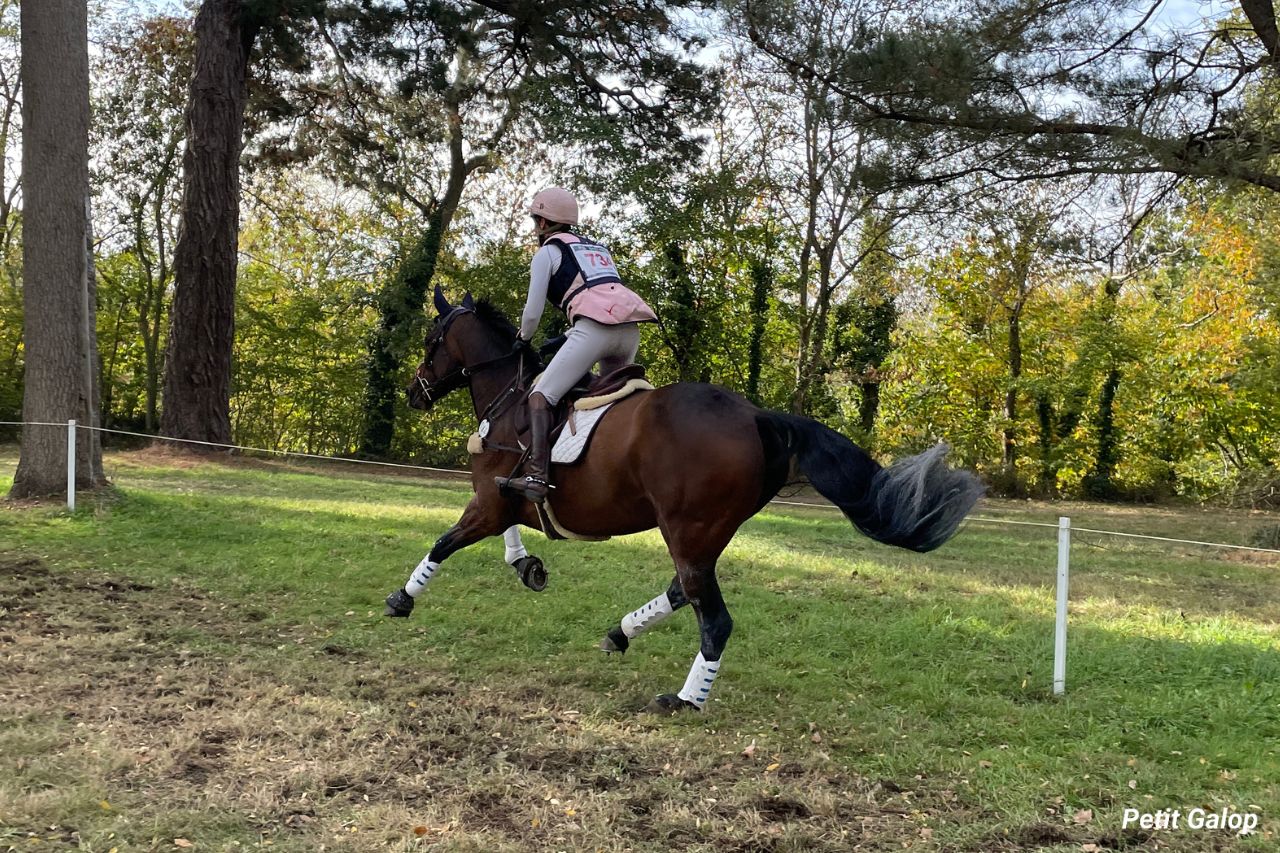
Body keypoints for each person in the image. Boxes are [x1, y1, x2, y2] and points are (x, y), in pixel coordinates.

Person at [495, 187, 657, 503]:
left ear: (542, 223)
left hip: (594, 332)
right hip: (628, 332)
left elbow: (532, 313)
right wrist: (566, 337)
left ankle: (537, 476)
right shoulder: (598, 250)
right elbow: (601, 296)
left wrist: (523, 339)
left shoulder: (546, 254)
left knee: (541, 396)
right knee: (610, 399)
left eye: (535, 220)